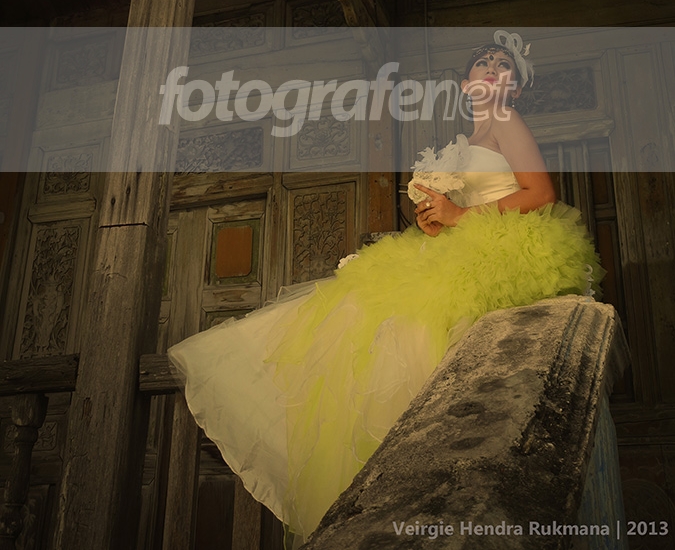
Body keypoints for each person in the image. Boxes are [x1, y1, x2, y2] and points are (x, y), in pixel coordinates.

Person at [168, 31, 603, 543]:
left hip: (508, 246)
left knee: (401, 325)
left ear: (515, 87)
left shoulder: (507, 119)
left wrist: (460, 214)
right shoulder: (467, 141)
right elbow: (461, 209)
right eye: (482, 61)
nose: (491, 66)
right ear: (466, 85)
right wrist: (436, 218)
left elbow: (541, 193)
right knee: (360, 316)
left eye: (502, 64)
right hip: (468, 241)